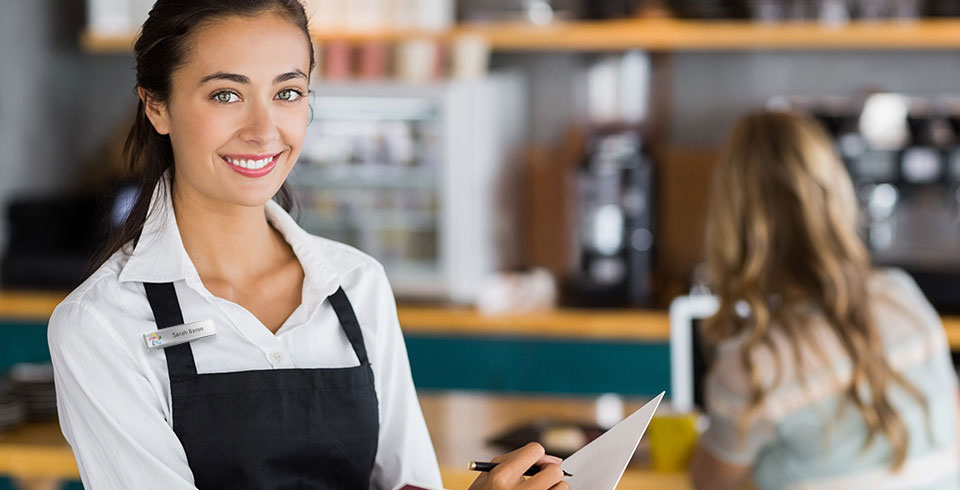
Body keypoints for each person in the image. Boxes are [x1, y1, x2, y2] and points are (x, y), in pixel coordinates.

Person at [46, 1, 569, 489]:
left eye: (287, 93)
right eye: (226, 94)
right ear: (157, 107)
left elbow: (409, 483)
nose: (263, 129)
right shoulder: (102, 324)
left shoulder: (357, 285)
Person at [689, 110, 960, 489]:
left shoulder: (753, 365)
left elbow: (709, 482)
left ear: (730, 218)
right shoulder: (902, 296)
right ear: (836, 193)